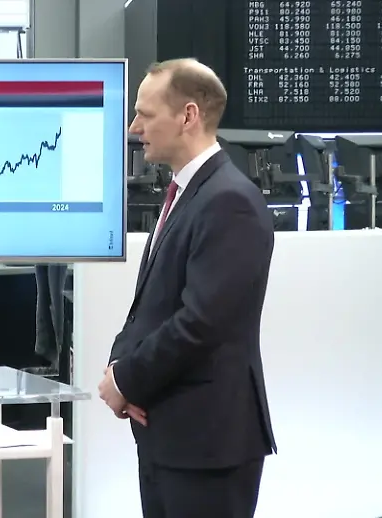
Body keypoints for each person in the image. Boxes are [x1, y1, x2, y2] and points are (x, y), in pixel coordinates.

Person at [97, 59, 276, 518]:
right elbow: (151, 305)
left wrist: (127, 380)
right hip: (169, 436)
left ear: (188, 116)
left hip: (208, 447)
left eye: (145, 114)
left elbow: (201, 323)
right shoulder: (187, 194)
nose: (135, 128)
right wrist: (120, 366)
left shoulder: (229, 201)